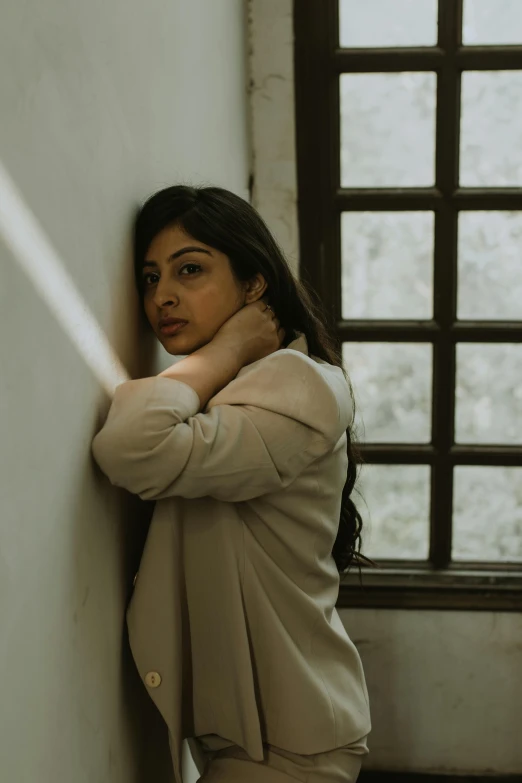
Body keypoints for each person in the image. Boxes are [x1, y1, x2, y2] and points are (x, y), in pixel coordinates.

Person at [91, 185, 372, 782]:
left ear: (253, 285)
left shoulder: (295, 383)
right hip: (260, 735)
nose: (162, 295)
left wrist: (230, 346)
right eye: (148, 278)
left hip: (290, 747)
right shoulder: (236, 391)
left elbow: (129, 446)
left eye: (189, 269)